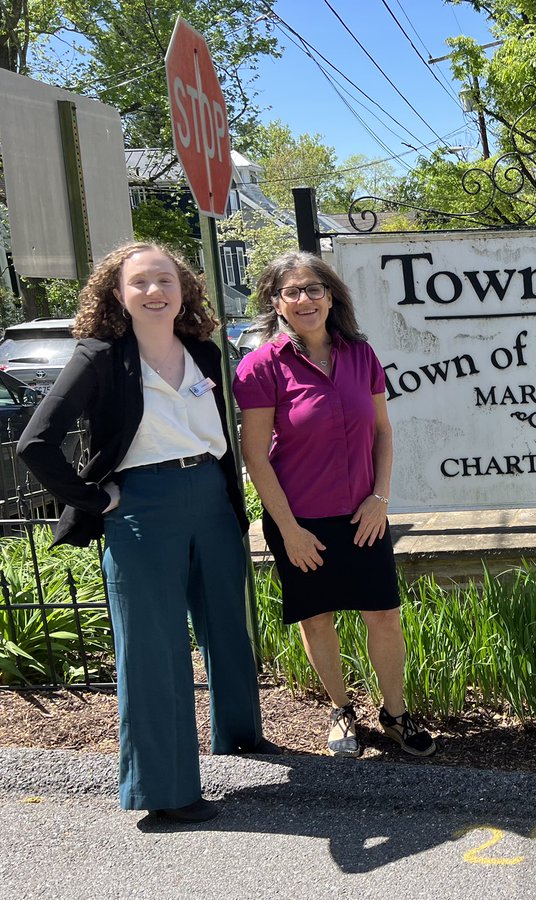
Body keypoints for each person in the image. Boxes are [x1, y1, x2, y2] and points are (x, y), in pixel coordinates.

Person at [18, 242, 272, 823]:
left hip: (210, 495)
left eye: (165, 280)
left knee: (229, 626)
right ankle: (166, 792)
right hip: (142, 507)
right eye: (140, 283)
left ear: (183, 288)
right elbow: (36, 443)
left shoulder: (205, 353)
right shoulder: (101, 355)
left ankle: (239, 736)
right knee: (154, 651)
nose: (154, 292)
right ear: (117, 295)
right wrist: (91, 498)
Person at [233, 250, 435, 760]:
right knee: (317, 618)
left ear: (331, 297)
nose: (305, 299)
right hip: (300, 520)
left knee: (384, 616)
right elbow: (255, 456)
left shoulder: (360, 356)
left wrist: (380, 499)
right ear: (276, 303)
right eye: (292, 291)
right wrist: (289, 529)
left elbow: (383, 432)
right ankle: (341, 710)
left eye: (314, 289)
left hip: (363, 515)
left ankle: (395, 714)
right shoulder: (260, 367)